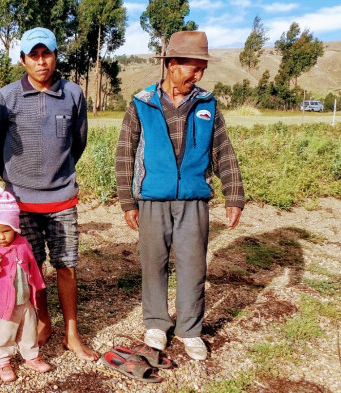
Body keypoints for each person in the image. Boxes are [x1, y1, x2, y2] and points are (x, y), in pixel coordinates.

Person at [115, 31, 244, 360]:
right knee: (153, 263)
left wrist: (234, 196)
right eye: (192, 67)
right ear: (172, 65)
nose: (198, 75)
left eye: (202, 68)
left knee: (193, 266)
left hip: (193, 200)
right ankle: (156, 323)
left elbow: (223, 152)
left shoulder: (207, 105)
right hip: (152, 200)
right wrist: (128, 201)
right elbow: (124, 154)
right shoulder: (142, 104)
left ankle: (190, 329)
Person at [0, 27, 98, 361]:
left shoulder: (73, 94)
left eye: (46, 54)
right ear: (22, 60)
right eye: (33, 56)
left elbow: (78, 143)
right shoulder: (7, 97)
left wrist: (57, 175)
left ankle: (72, 335)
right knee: (30, 268)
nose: (40, 62)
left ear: (55, 56)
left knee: (67, 266)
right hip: (21, 202)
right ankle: (43, 321)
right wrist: (16, 180)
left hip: (62, 198)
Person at [0, 188, 52, 382]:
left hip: (24, 300)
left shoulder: (22, 244)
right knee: (4, 333)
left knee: (28, 330)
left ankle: (31, 356)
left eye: (6, 231)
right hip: (3, 303)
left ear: (15, 228)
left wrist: (37, 286)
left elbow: (32, 266)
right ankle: (3, 361)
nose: (1, 237)